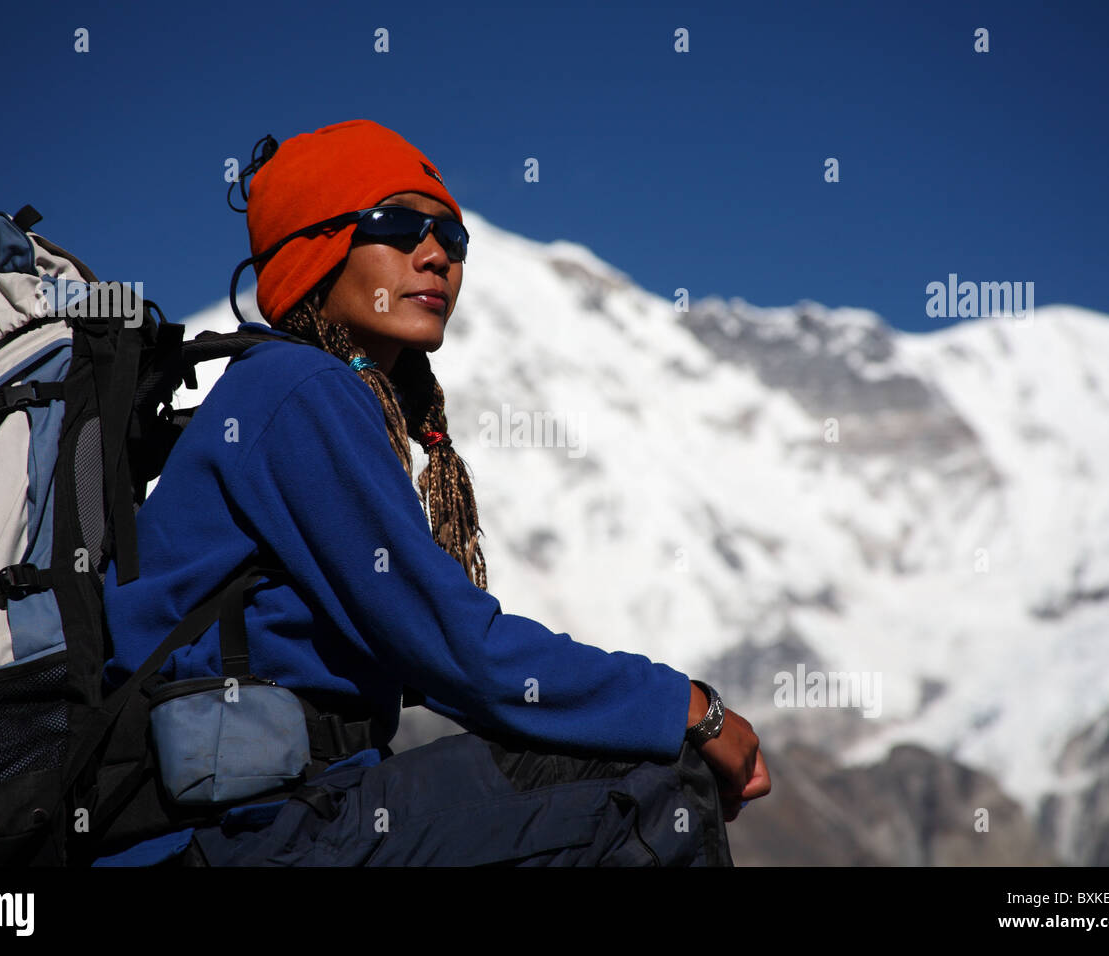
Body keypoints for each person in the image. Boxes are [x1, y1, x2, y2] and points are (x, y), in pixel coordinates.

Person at [100, 119, 769, 866]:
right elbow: (457, 652)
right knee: (653, 787)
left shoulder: (308, 390)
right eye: (398, 226)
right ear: (317, 247)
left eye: (452, 238)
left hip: (277, 818)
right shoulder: (299, 388)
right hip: (235, 836)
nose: (436, 255)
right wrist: (687, 708)